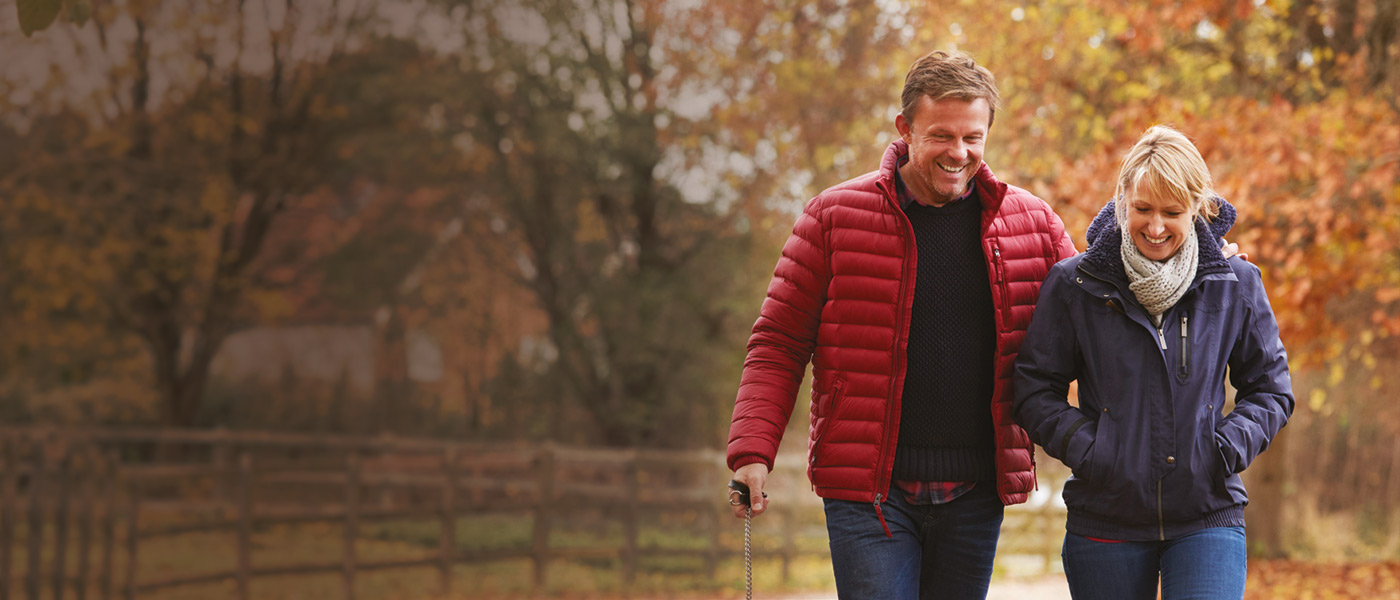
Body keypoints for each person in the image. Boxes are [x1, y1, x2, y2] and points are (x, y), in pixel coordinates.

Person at [724, 50, 1076, 599]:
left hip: (976, 489)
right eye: (941, 136)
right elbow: (778, 343)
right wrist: (752, 452)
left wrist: (1206, 260)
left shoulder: (1031, 225)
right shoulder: (833, 218)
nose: (959, 153)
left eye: (973, 137)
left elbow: (1099, 309)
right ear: (905, 128)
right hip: (868, 490)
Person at [1012, 125, 1293, 599]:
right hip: (1106, 515)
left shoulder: (1234, 283)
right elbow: (1034, 390)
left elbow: (1271, 389)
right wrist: (1093, 450)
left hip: (1208, 514)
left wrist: (1223, 448)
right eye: (1143, 209)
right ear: (1122, 200)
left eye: (1172, 212)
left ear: (1200, 208)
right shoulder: (1076, 285)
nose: (1156, 227)